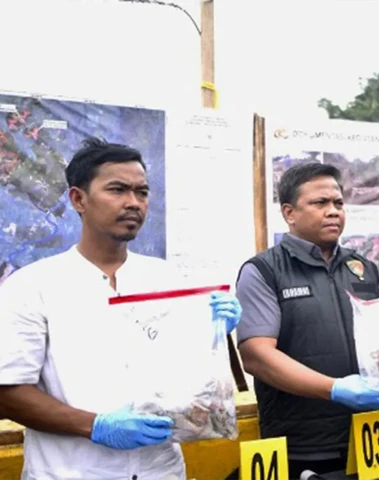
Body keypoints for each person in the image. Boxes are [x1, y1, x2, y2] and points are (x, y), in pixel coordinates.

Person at [0, 137, 242, 480]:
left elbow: (187, 379)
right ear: (78, 199)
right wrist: (95, 426)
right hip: (71, 472)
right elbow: (8, 393)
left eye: (141, 192)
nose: (133, 203)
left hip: (160, 471)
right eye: (117, 190)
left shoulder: (167, 281)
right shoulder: (33, 287)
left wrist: (214, 335)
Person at [235, 163, 379, 479]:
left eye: (339, 203)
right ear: (289, 213)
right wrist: (334, 389)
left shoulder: (365, 269)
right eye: (320, 203)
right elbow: (257, 356)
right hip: (301, 447)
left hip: (367, 439)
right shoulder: (264, 271)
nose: (333, 211)